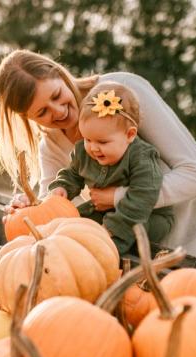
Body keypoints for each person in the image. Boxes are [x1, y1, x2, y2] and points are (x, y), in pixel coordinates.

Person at [0, 49, 196, 268]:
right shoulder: (51, 146)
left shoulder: (121, 94)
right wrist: (30, 204)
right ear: (27, 117)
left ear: (60, 73)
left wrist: (117, 197)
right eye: (42, 112)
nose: (59, 111)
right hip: (151, 252)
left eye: (57, 96)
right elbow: (54, 210)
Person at [48, 82, 174, 254]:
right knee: (73, 224)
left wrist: (113, 229)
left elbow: (143, 195)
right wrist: (63, 187)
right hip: (105, 211)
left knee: (133, 231)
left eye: (102, 142)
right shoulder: (84, 152)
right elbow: (72, 173)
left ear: (129, 135)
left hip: (148, 215)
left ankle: (108, 253)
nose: (93, 148)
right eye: (87, 139)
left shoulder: (141, 156)